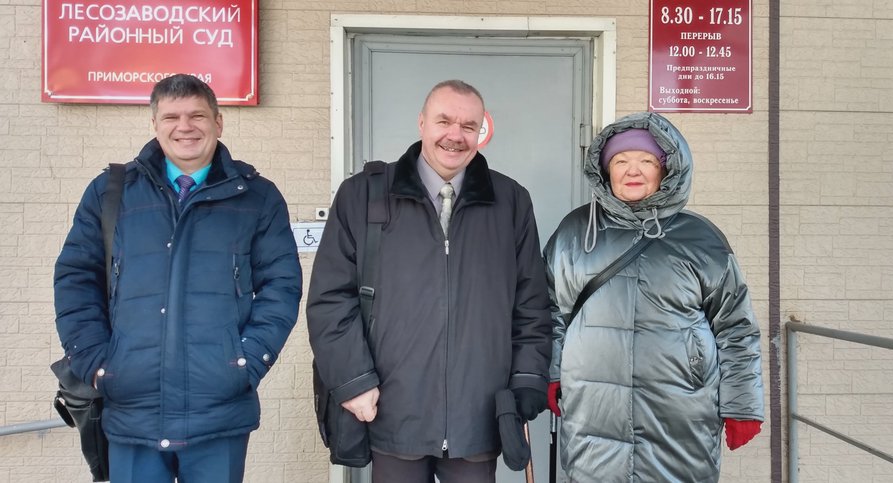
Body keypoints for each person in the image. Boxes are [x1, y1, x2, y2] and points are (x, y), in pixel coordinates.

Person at [53, 74, 303, 483]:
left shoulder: (257, 196)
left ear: (218, 122)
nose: (184, 126)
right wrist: (97, 363)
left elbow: (282, 286)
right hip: (132, 408)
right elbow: (75, 280)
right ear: (154, 124)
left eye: (196, 115)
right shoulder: (110, 192)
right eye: (171, 116)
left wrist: (246, 363)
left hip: (218, 409)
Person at [306, 79, 551, 482]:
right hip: (393, 412)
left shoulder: (510, 201)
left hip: (479, 416)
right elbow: (330, 299)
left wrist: (527, 379)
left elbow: (531, 304)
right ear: (421, 123)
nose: (455, 135)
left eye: (468, 126)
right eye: (444, 121)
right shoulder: (362, 196)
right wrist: (353, 382)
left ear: (480, 133)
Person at [543, 112, 765, 482]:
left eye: (646, 161)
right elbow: (551, 311)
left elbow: (736, 329)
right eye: (621, 161)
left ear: (666, 170)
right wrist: (551, 372)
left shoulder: (702, 240)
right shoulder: (573, 233)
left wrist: (742, 404)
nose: (633, 171)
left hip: (680, 413)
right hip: (594, 413)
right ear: (605, 170)